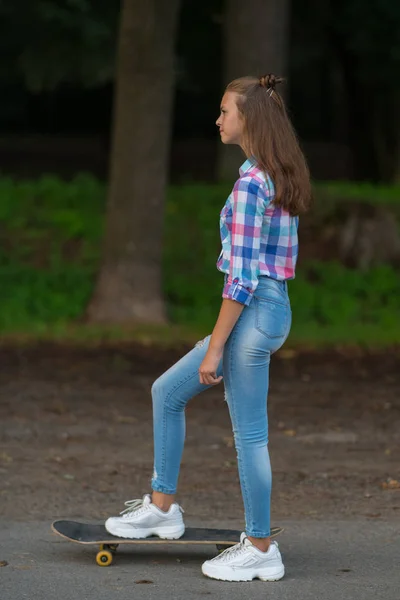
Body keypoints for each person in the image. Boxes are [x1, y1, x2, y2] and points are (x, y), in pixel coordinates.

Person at [105, 72, 311, 582]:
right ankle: (162, 508)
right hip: (273, 308)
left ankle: (260, 547)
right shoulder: (277, 175)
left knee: (249, 436)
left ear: (249, 119)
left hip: (254, 311)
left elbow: (241, 280)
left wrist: (215, 348)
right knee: (166, 392)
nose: (217, 119)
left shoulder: (250, 186)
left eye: (225, 111)